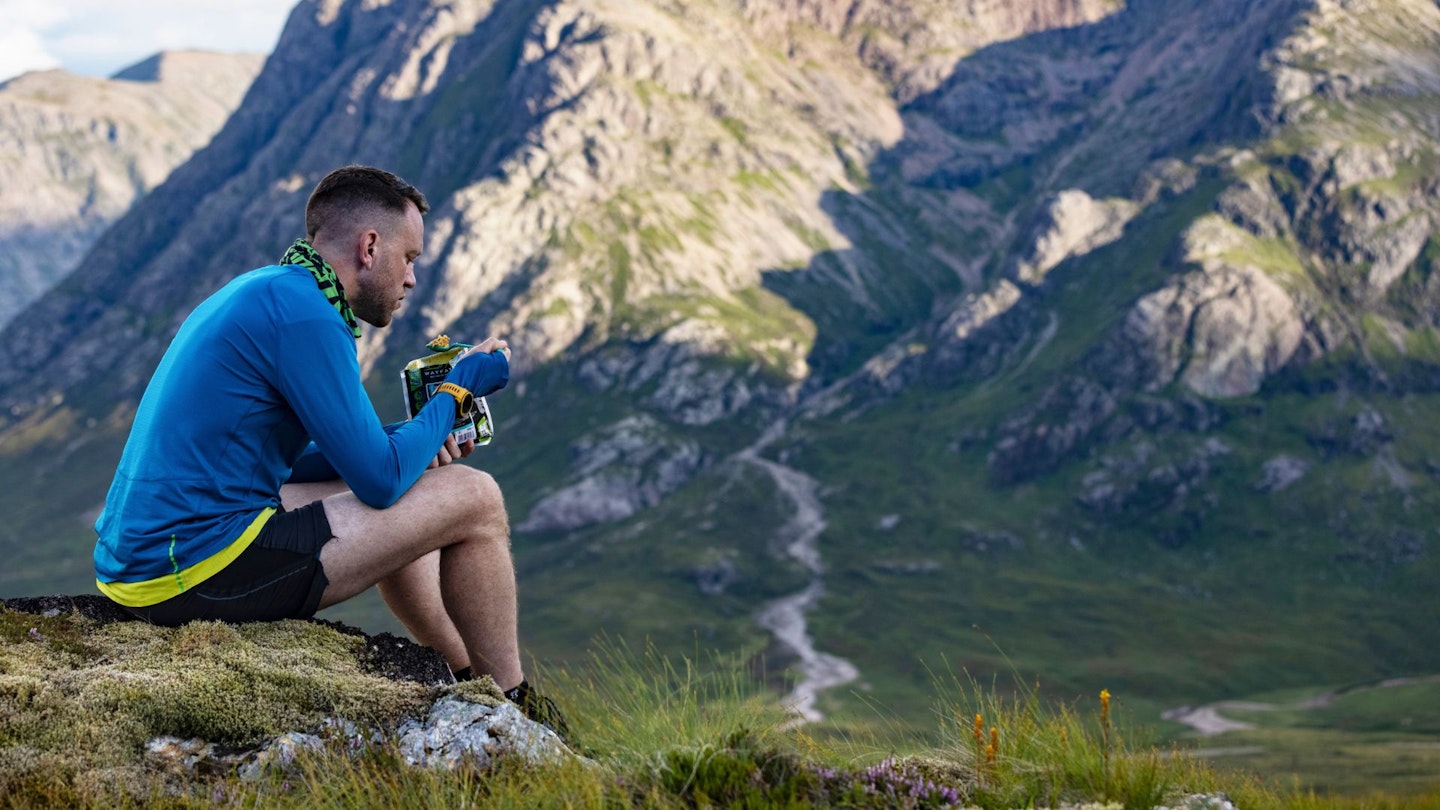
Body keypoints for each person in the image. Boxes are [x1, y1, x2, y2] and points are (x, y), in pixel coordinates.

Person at [92, 164, 569, 741]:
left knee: (413, 473)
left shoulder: (269, 291)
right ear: (369, 246)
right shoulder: (309, 317)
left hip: (143, 563)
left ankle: (462, 675)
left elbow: (297, 459)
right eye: (410, 257)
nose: (412, 279)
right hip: (191, 573)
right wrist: (458, 385)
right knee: (477, 498)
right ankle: (515, 707)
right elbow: (379, 482)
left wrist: (404, 440)